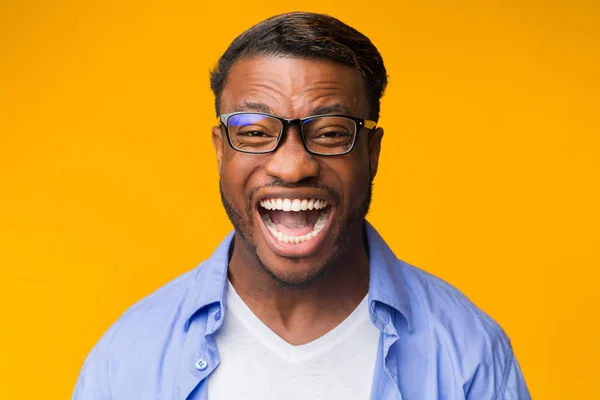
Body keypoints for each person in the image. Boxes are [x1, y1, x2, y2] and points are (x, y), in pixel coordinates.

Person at [73, 12, 531, 400]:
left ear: (371, 153)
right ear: (221, 149)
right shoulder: (127, 359)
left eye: (330, 131)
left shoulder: (470, 355)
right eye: (254, 132)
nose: (293, 166)